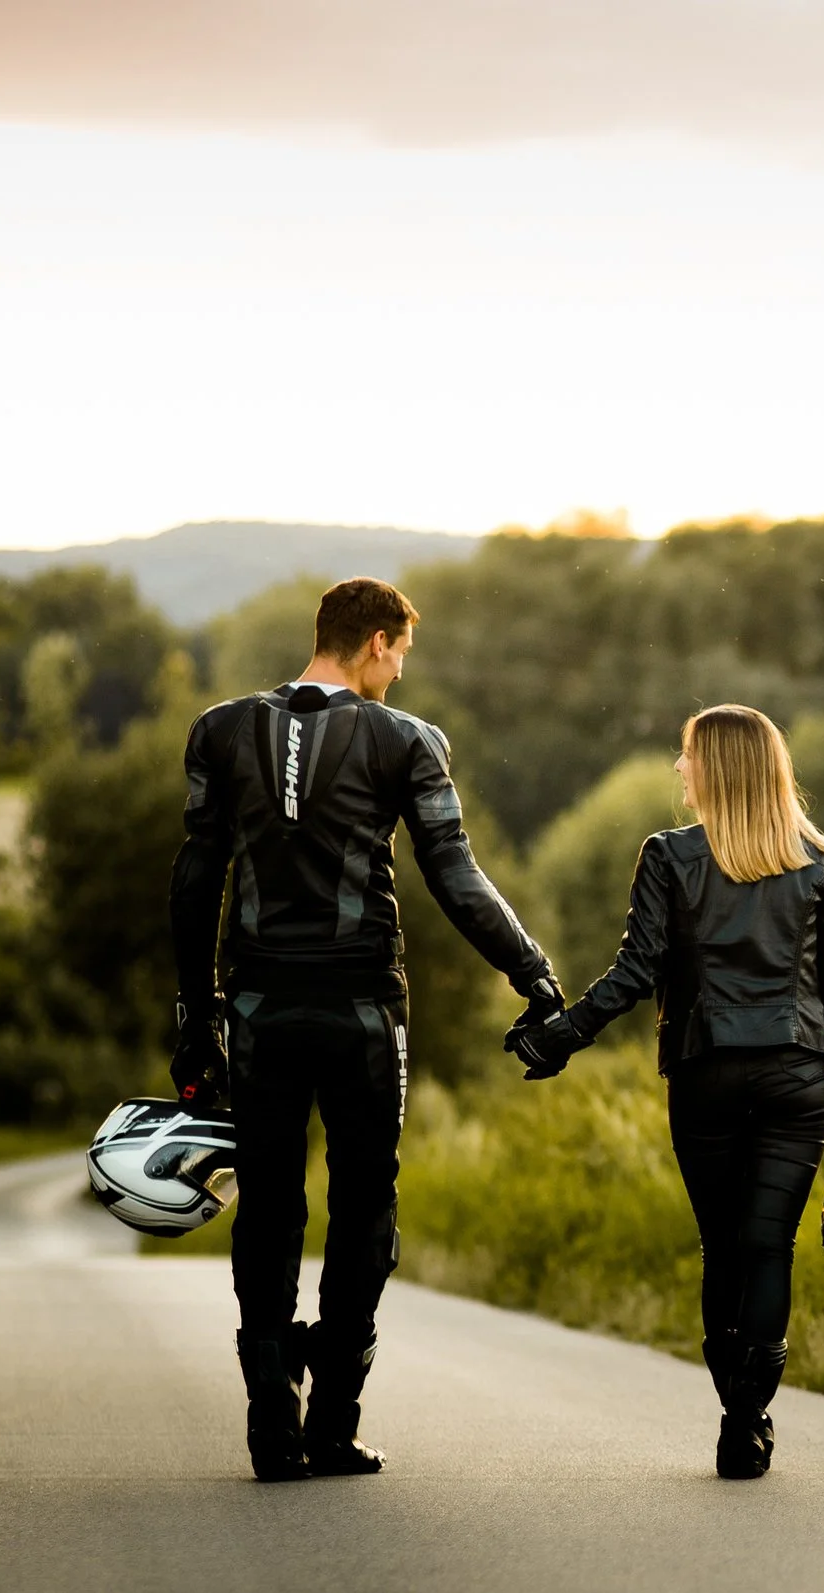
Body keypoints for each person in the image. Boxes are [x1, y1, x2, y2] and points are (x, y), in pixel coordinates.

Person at [169, 577, 563, 1482]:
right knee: (366, 1209)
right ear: (378, 641)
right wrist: (533, 973)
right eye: (401, 654)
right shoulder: (407, 740)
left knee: (270, 1205)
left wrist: (195, 1012)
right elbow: (456, 878)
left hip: (258, 1008)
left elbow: (196, 879)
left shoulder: (220, 731)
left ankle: (272, 1419)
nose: (400, 673)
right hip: (362, 1011)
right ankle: (333, 1425)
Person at [505, 703, 824, 1479]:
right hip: (797, 1075)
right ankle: (747, 1419)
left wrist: (562, 1036)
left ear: (717, 768)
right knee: (769, 1247)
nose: (679, 767)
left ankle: (739, 1411)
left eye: (688, 754)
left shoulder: (669, 856)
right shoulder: (815, 862)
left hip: (706, 1072)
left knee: (723, 1247)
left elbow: (635, 971)